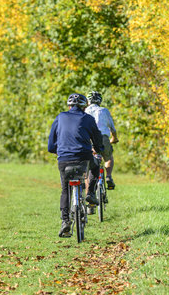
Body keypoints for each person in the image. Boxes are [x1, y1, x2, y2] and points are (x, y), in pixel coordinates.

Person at [48, 93, 104, 237]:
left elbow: (51, 143)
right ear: (84, 107)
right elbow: (97, 139)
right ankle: (90, 193)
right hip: (84, 157)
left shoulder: (60, 117)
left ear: (69, 106)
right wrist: (98, 149)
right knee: (96, 164)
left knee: (65, 189)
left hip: (64, 159)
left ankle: (65, 221)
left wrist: (57, 151)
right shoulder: (88, 119)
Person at [85, 91, 119, 190]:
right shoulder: (104, 111)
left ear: (88, 101)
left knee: (88, 165)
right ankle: (108, 176)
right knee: (108, 158)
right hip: (103, 138)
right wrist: (114, 138)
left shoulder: (84, 111)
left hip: (89, 139)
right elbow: (112, 128)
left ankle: (89, 192)